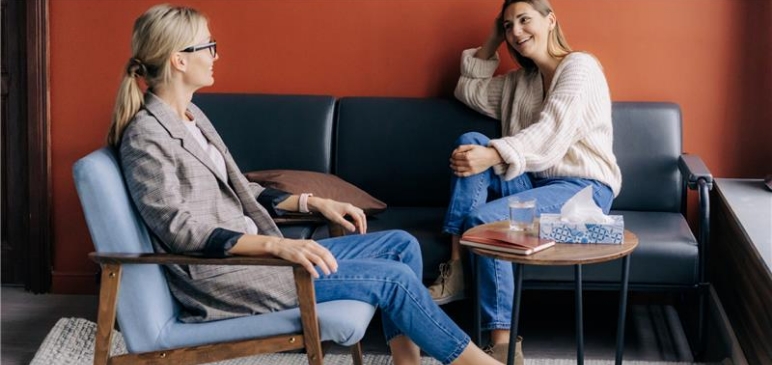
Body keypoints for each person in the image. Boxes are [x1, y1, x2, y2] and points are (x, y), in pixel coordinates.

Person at [108, 4, 504, 365]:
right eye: (208, 45)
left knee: (400, 244)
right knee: (393, 278)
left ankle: (407, 363)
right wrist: (278, 244)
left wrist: (314, 204)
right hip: (230, 276)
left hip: (262, 259)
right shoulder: (147, 136)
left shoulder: (191, 116)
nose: (216, 54)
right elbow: (181, 230)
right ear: (179, 60)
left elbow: (238, 189)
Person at [426, 0, 622, 361]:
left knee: (485, 221)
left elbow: (550, 133)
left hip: (582, 191)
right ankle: (456, 267)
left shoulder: (581, 66)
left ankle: (503, 344)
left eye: (524, 20)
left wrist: (496, 154)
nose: (516, 32)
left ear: (550, 20)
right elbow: (466, 89)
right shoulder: (519, 82)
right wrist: (490, 39)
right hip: (532, 183)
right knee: (470, 141)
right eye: (507, 26)